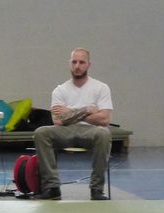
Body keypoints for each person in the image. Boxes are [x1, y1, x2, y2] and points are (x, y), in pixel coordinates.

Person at [33, 47, 113, 200]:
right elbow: (57, 120)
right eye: (74, 62)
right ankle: (52, 187)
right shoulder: (60, 90)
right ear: (69, 64)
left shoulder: (101, 88)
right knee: (41, 132)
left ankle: (96, 189)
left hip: (92, 131)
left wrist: (69, 112)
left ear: (89, 65)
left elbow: (104, 119)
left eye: (82, 62)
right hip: (65, 131)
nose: (77, 66)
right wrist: (86, 110)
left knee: (104, 133)